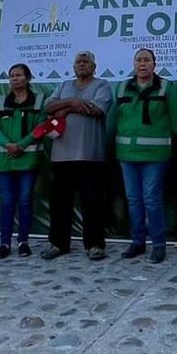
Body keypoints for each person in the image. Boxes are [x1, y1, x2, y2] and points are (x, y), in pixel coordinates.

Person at [42, 51, 113, 260]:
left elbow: (97, 109)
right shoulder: (64, 86)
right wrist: (72, 102)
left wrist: (64, 108)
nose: (82, 64)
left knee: (93, 203)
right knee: (59, 204)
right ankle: (58, 244)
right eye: (78, 61)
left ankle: (94, 246)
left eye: (86, 61)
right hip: (61, 156)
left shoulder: (103, 85)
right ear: (74, 66)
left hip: (91, 155)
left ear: (94, 66)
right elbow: (48, 107)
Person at [112, 48, 177, 264]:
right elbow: (113, 121)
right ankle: (138, 242)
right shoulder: (122, 87)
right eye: (139, 60)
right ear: (134, 64)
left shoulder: (167, 87)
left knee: (151, 199)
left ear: (154, 64)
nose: (143, 63)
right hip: (126, 154)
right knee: (133, 200)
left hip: (156, 154)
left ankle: (159, 245)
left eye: (147, 60)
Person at [0, 63, 45, 259]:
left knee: (24, 201)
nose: (14, 78)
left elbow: (41, 127)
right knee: (6, 203)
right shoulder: (0, 101)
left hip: (27, 161)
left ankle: (23, 242)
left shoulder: (39, 101)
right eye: (12, 76)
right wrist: (8, 145)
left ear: (28, 78)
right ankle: (4, 243)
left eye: (19, 75)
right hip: (5, 161)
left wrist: (21, 145)